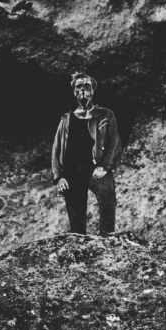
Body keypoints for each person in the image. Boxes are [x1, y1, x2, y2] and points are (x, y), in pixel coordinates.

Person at [50, 72, 121, 235]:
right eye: (79, 86)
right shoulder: (66, 119)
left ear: (93, 90)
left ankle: (107, 239)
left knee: (107, 199)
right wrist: (59, 177)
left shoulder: (106, 115)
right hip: (72, 172)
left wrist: (105, 166)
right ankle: (80, 243)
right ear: (74, 92)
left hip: (97, 168)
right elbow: (56, 149)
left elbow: (114, 142)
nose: (83, 90)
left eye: (87, 86)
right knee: (76, 223)